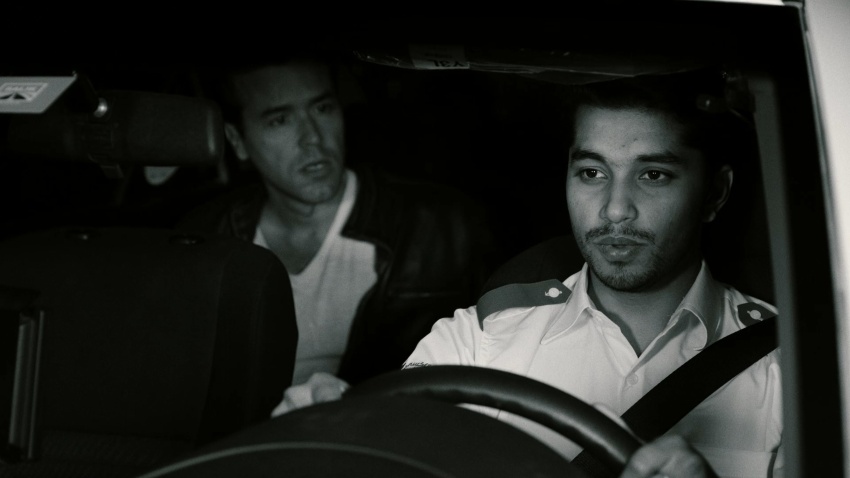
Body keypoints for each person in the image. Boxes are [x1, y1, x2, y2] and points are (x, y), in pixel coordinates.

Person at [400, 69, 781, 478]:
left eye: (653, 175)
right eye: (592, 173)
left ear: (715, 193)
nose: (615, 210)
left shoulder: (788, 368)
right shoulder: (476, 345)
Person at [176, 51, 499, 414]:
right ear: (237, 140)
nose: (312, 139)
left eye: (322, 108)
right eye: (280, 120)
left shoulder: (442, 227)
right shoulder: (204, 239)